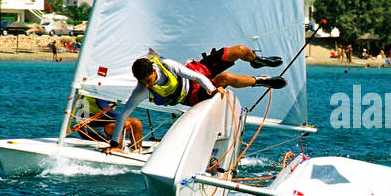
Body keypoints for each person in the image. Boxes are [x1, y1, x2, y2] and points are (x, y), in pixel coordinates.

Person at [106, 45, 285, 151]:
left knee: (240, 50)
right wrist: (114, 143)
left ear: (154, 71)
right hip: (192, 96)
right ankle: (261, 81)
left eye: (148, 81)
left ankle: (257, 60)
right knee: (226, 79)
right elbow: (123, 114)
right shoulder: (142, 90)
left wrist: (212, 89)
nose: (147, 85)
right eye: (142, 83)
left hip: (198, 73)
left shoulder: (167, 66)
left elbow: (197, 77)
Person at [73, 94, 142, 150]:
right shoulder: (98, 90)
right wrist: (122, 118)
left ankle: (136, 149)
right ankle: (117, 148)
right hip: (89, 126)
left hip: (106, 120)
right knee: (120, 125)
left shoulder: (112, 91)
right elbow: (102, 105)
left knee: (136, 123)